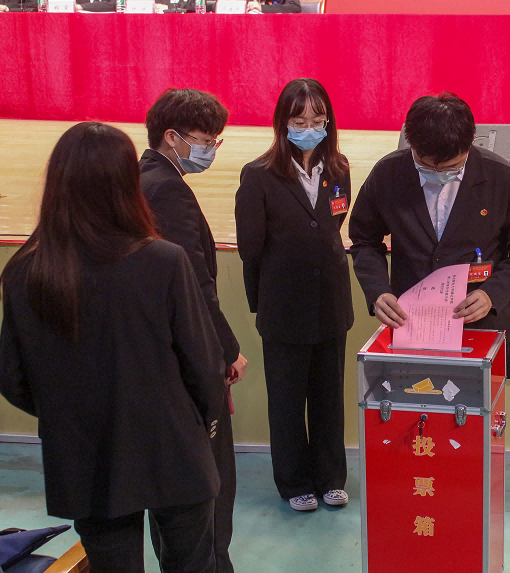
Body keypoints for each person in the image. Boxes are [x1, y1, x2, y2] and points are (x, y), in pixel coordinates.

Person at [0, 122, 224, 573]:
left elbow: (13, 378)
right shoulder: (163, 261)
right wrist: (204, 421)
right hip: (173, 446)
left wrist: (67, 416)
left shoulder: (25, 271)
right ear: (126, 183)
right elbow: (203, 365)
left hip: (84, 455)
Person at [141, 88, 247, 573]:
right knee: (209, 484)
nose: (210, 150)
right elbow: (196, 283)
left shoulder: (143, 178)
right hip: (190, 360)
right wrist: (227, 349)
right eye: (205, 140)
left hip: (158, 360)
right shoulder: (167, 190)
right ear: (171, 136)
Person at [235, 78, 352, 512]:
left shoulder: (338, 169)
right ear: (282, 123)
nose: (309, 128)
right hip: (284, 307)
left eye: (317, 120)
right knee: (286, 402)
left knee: (328, 399)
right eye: (299, 121)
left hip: (330, 303)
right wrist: (264, 302)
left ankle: (330, 477)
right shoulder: (258, 175)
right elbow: (250, 248)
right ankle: (294, 482)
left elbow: (334, 225)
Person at [349, 92, 510, 337]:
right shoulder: (387, 174)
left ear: (471, 142)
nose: (438, 173)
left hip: (479, 323)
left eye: (451, 167)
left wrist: (492, 294)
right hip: (409, 323)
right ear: (410, 143)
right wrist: (378, 291)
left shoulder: (500, 177)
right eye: (426, 165)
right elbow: (364, 241)